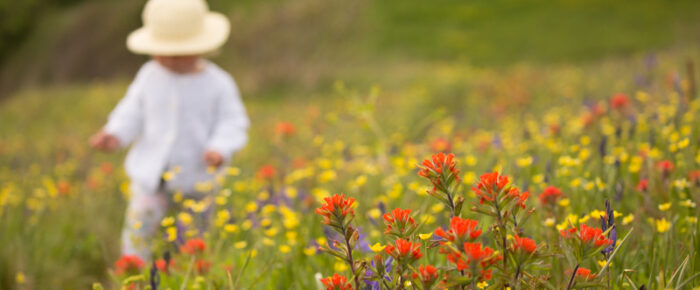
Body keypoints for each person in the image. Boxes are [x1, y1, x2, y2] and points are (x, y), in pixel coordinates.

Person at [89, 0, 249, 260]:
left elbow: (233, 122)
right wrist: (115, 133)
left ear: (203, 48)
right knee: (138, 231)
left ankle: (189, 275)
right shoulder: (148, 76)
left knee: (197, 240)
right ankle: (134, 273)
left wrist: (220, 148)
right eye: (161, 52)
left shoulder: (219, 84)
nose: (168, 59)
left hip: (198, 179)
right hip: (151, 180)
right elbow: (131, 111)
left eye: (178, 53)